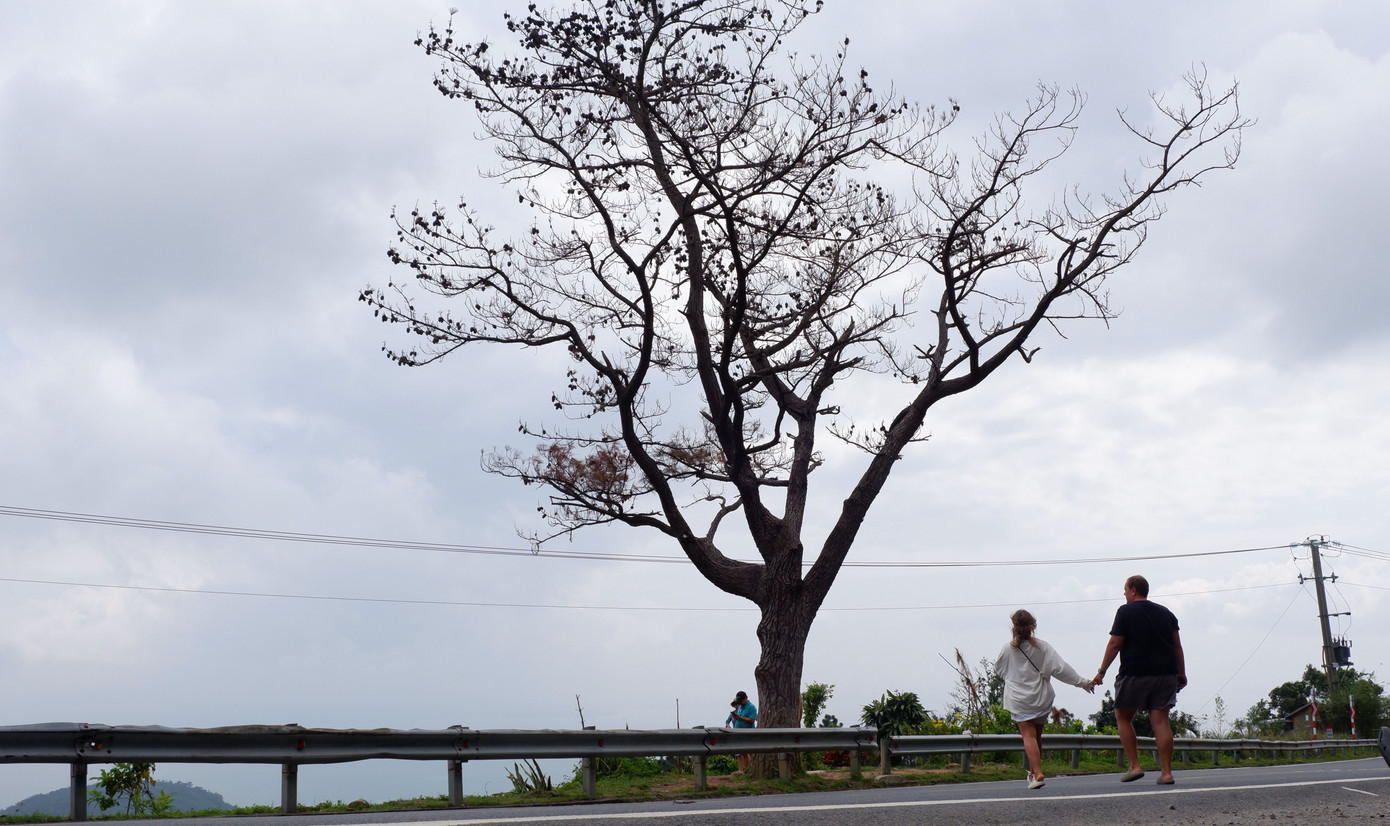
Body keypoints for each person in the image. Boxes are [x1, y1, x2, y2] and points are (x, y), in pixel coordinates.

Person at [1093, 574, 1186, 786]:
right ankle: (1167, 773)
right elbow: (1177, 646)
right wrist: (1181, 672)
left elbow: (1115, 643)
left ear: (1133, 590)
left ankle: (1134, 766)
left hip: (1135, 672)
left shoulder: (1125, 611)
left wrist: (1101, 671)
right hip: (1166, 674)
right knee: (1160, 721)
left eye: (1125, 590)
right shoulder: (1166, 613)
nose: (1124, 593)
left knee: (1123, 716)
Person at [995, 609, 1095, 790]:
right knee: (1036, 737)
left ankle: (1038, 773)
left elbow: (1000, 670)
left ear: (1013, 626)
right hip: (1041, 698)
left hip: (1019, 699)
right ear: (1033, 626)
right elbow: (1062, 669)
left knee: (1028, 736)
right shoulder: (1043, 647)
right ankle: (1033, 773)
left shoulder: (1007, 650)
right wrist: (1084, 683)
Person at [728, 690, 757, 772]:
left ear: (745, 699)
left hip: (748, 733)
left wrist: (740, 718)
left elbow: (752, 720)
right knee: (743, 752)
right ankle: (745, 770)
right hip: (739, 732)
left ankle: (752, 769)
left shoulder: (751, 707)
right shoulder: (740, 707)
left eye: (741, 701)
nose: (740, 703)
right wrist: (736, 717)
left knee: (750, 752)